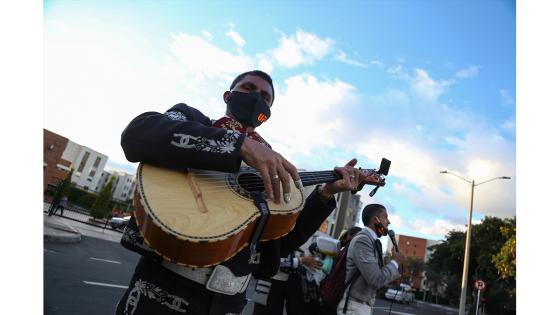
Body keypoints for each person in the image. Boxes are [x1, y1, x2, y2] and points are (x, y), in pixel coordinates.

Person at [115, 70, 364, 315]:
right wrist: (238, 145)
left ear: (267, 115)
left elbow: (280, 241)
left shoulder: (270, 169)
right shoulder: (193, 120)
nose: (257, 98)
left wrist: (325, 194)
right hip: (159, 292)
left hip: (230, 304)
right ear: (227, 95)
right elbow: (137, 134)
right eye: (248, 88)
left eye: (266, 98)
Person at [337, 204, 405, 315]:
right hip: (354, 308)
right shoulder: (363, 241)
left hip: (361, 307)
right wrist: (395, 262)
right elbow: (376, 279)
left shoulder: (371, 241)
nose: (388, 222)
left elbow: (378, 276)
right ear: (375, 219)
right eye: (385, 217)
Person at [253, 250, 322, 315]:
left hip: (291, 282)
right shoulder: (268, 240)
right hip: (268, 283)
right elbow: (263, 261)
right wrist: (301, 260)